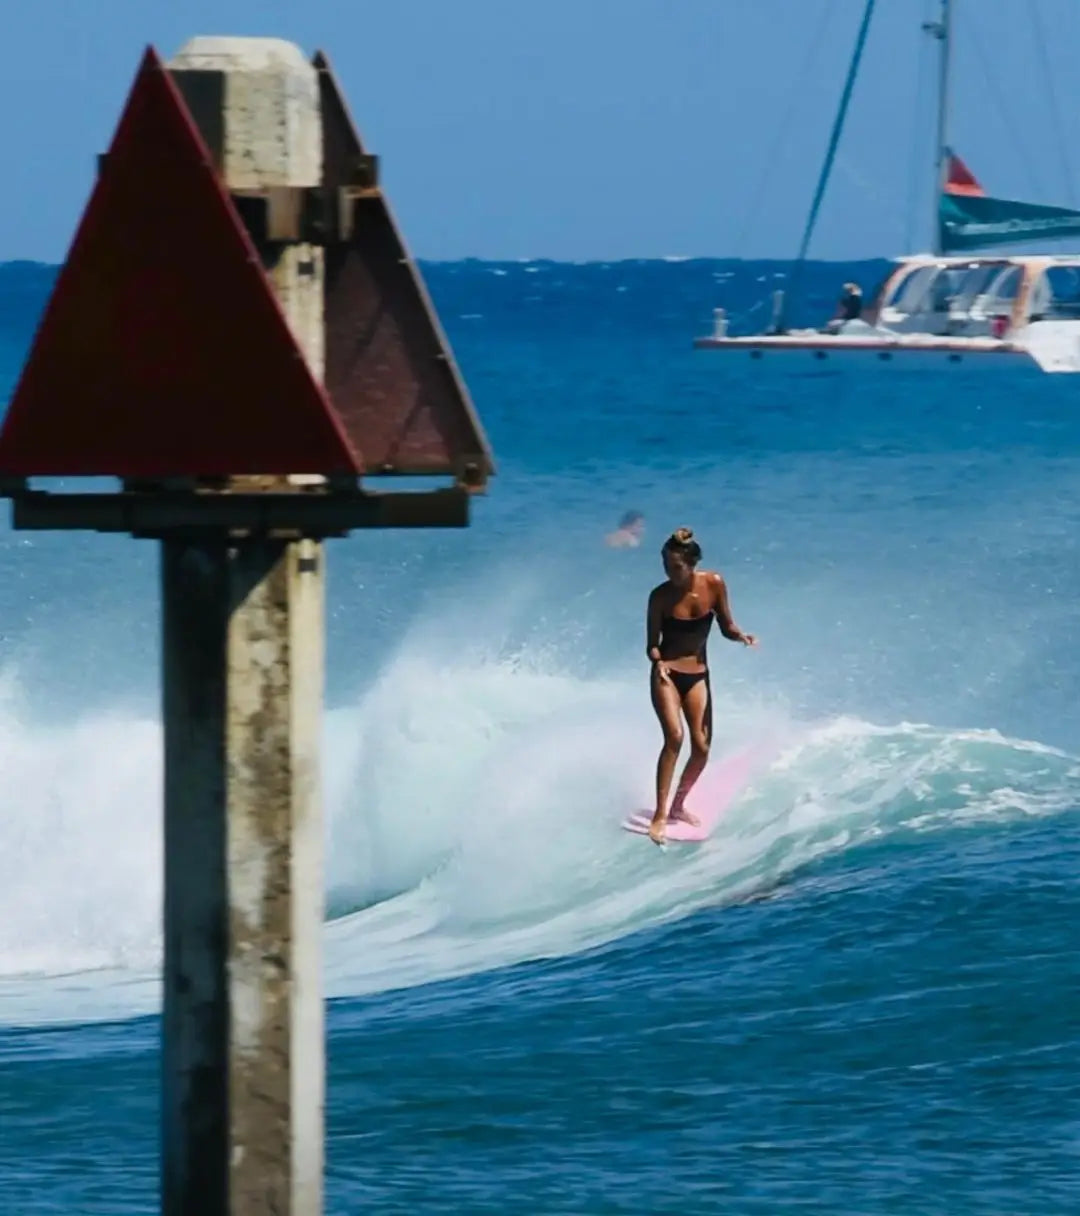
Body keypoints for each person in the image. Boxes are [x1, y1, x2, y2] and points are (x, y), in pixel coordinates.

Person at [645, 527, 756, 845]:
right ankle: (659, 815)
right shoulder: (659, 597)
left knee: (702, 746)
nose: (668, 571)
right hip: (666, 674)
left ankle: (679, 805)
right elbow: (652, 644)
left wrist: (741, 637)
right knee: (674, 738)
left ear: (691, 564)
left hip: (697, 674)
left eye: (675, 566)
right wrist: (659, 662)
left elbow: (726, 625)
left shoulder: (714, 584)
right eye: (665, 564)